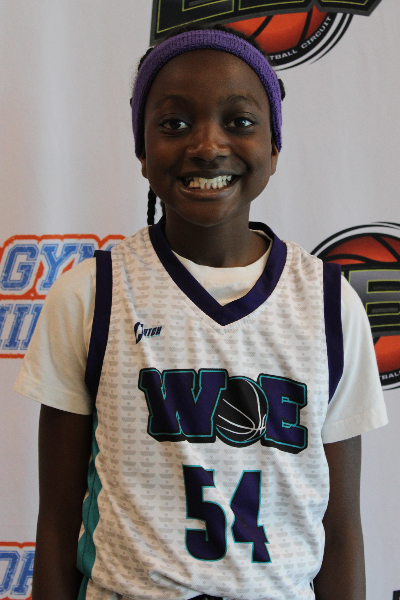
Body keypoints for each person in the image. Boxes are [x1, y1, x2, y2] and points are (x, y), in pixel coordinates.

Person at [14, 24, 388, 600]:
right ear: (141, 151)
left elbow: (340, 533)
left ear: (274, 147)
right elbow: (58, 526)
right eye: (174, 124)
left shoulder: (329, 304)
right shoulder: (91, 295)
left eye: (239, 122)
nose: (208, 145)